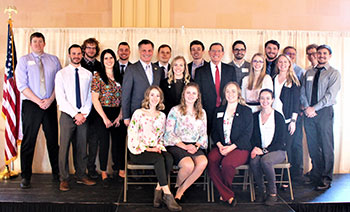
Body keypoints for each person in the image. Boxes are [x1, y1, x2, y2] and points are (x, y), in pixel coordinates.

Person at [15, 32, 61, 189]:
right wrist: (38, 101)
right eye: (35, 41)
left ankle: (57, 173)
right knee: (29, 141)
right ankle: (26, 176)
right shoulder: (23, 61)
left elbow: (59, 83)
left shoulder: (53, 60)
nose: (38, 44)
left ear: (44, 43)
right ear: (30, 44)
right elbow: (21, 85)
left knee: (53, 140)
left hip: (49, 104)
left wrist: (50, 100)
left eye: (40, 41)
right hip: (31, 105)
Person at [128, 86, 182, 212]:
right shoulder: (139, 113)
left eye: (157, 95)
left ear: (161, 99)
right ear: (147, 96)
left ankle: (158, 190)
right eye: (152, 95)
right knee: (159, 159)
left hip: (155, 148)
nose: (154, 98)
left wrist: (158, 147)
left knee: (168, 158)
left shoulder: (162, 116)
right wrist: (148, 149)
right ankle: (168, 195)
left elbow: (162, 136)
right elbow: (132, 135)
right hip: (139, 151)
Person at [55, 44, 96, 191]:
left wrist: (83, 113)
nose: (77, 56)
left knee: (81, 147)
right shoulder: (61, 74)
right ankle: (64, 178)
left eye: (79, 53)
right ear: (69, 55)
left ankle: (81, 175)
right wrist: (75, 114)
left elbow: (89, 97)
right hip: (67, 115)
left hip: (83, 116)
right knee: (64, 147)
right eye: (74, 53)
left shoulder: (87, 74)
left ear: (82, 54)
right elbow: (61, 99)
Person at [300, 45, 341, 190]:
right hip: (308, 112)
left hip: (324, 112)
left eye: (325, 53)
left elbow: (330, 96)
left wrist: (314, 108)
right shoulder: (309, 72)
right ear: (315, 55)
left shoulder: (333, 73)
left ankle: (326, 177)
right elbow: (303, 91)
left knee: (326, 145)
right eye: (319, 53)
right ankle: (316, 173)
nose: (322, 55)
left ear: (330, 56)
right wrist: (306, 107)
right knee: (312, 145)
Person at [208, 82, 253, 206]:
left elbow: (247, 135)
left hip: (239, 148)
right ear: (224, 94)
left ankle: (224, 194)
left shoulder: (246, 111)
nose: (230, 94)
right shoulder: (219, 110)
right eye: (227, 91)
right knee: (211, 159)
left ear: (238, 93)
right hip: (221, 146)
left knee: (227, 163)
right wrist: (220, 145)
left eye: (233, 91)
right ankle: (227, 194)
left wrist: (231, 148)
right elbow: (214, 131)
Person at [164, 82, 208, 202]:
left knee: (203, 162)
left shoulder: (202, 112)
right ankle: (176, 186)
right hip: (177, 144)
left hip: (194, 145)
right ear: (184, 94)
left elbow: (203, 134)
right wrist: (184, 146)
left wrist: (196, 145)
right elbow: (169, 133)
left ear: (198, 96)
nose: (191, 95)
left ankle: (181, 190)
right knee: (188, 165)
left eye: (194, 93)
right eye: (188, 92)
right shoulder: (175, 110)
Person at [91, 49, 125, 187]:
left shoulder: (121, 76)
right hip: (102, 114)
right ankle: (104, 173)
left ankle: (120, 171)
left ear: (114, 60)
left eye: (111, 58)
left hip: (118, 113)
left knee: (119, 143)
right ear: (102, 61)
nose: (109, 60)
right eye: (106, 58)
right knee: (104, 144)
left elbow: (125, 98)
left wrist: (120, 115)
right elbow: (95, 99)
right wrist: (105, 118)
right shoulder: (97, 77)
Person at [250, 89, 287, 206]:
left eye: (267, 98)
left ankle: (272, 193)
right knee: (254, 161)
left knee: (266, 161)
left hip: (277, 151)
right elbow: (251, 137)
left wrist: (265, 151)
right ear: (258, 100)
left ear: (272, 100)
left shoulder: (278, 117)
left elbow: (281, 141)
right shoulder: (255, 116)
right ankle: (261, 191)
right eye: (262, 98)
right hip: (259, 150)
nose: (265, 101)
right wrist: (255, 149)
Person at [195, 42, 236, 134]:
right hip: (206, 110)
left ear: (223, 53)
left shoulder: (230, 70)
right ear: (209, 53)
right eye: (213, 51)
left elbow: (234, 90)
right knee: (207, 134)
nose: (216, 53)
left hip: (226, 108)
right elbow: (198, 92)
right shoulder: (200, 71)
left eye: (218, 51)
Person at [272, 54, 301, 187]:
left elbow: (296, 103)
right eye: (280, 62)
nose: (283, 64)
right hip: (273, 119)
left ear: (289, 64)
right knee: (275, 147)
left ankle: (284, 179)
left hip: (288, 119)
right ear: (277, 64)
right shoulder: (273, 79)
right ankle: (274, 177)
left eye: (285, 62)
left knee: (286, 149)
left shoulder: (293, 81)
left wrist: (293, 121)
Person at [122, 39, 163, 127]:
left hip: (154, 114)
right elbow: (126, 95)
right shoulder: (131, 69)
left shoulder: (158, 70)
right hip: (136, 113)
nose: (147, 53)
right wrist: (126, 117)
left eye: (149, 50)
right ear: (139, 51)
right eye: (144, 50)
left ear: (153, 52)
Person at [80, 38, 102, 179]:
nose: (91, 50)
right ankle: (80, 170)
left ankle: (91, 168)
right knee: (81, 141)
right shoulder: (78, 64)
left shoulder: (101, 66)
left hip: (95, 110)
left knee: (94, 141)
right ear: (84, 49)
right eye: (88, 48)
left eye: (93, 48)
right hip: (80, 109)